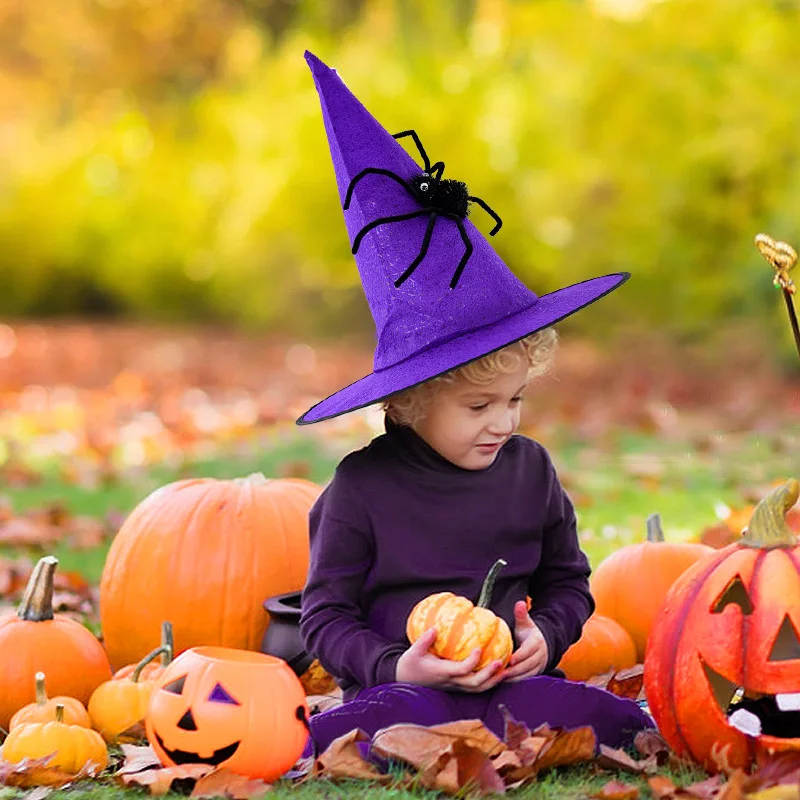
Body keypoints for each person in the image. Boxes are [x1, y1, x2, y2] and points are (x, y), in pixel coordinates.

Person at [291, 51, 654, 758]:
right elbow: (326, 616)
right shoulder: (361, 489)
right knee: (365, 721)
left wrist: (544, 636)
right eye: (479, 405)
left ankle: (519, 724)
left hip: (511, 684)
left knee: (600, 714)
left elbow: (568, 582)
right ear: (408, 403)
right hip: (403, 687)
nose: (504, 421)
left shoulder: (531, 473)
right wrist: (396, 664)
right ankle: (416, 728)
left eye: (515, 399)